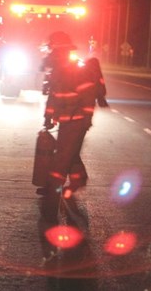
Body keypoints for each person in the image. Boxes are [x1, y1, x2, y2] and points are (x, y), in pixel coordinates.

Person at [37, 31, 109, 199]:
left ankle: (53, 193)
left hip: (76, 121)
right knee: (70, 152)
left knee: (62, 157)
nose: (50, 54)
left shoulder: (77, 71)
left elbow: (88, 97)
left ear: (60, 50)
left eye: (53, 50)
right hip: (66, 121)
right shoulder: (58, 71)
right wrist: (48, 117)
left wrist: (86, 119)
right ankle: (78, 179)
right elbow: (54, 97)